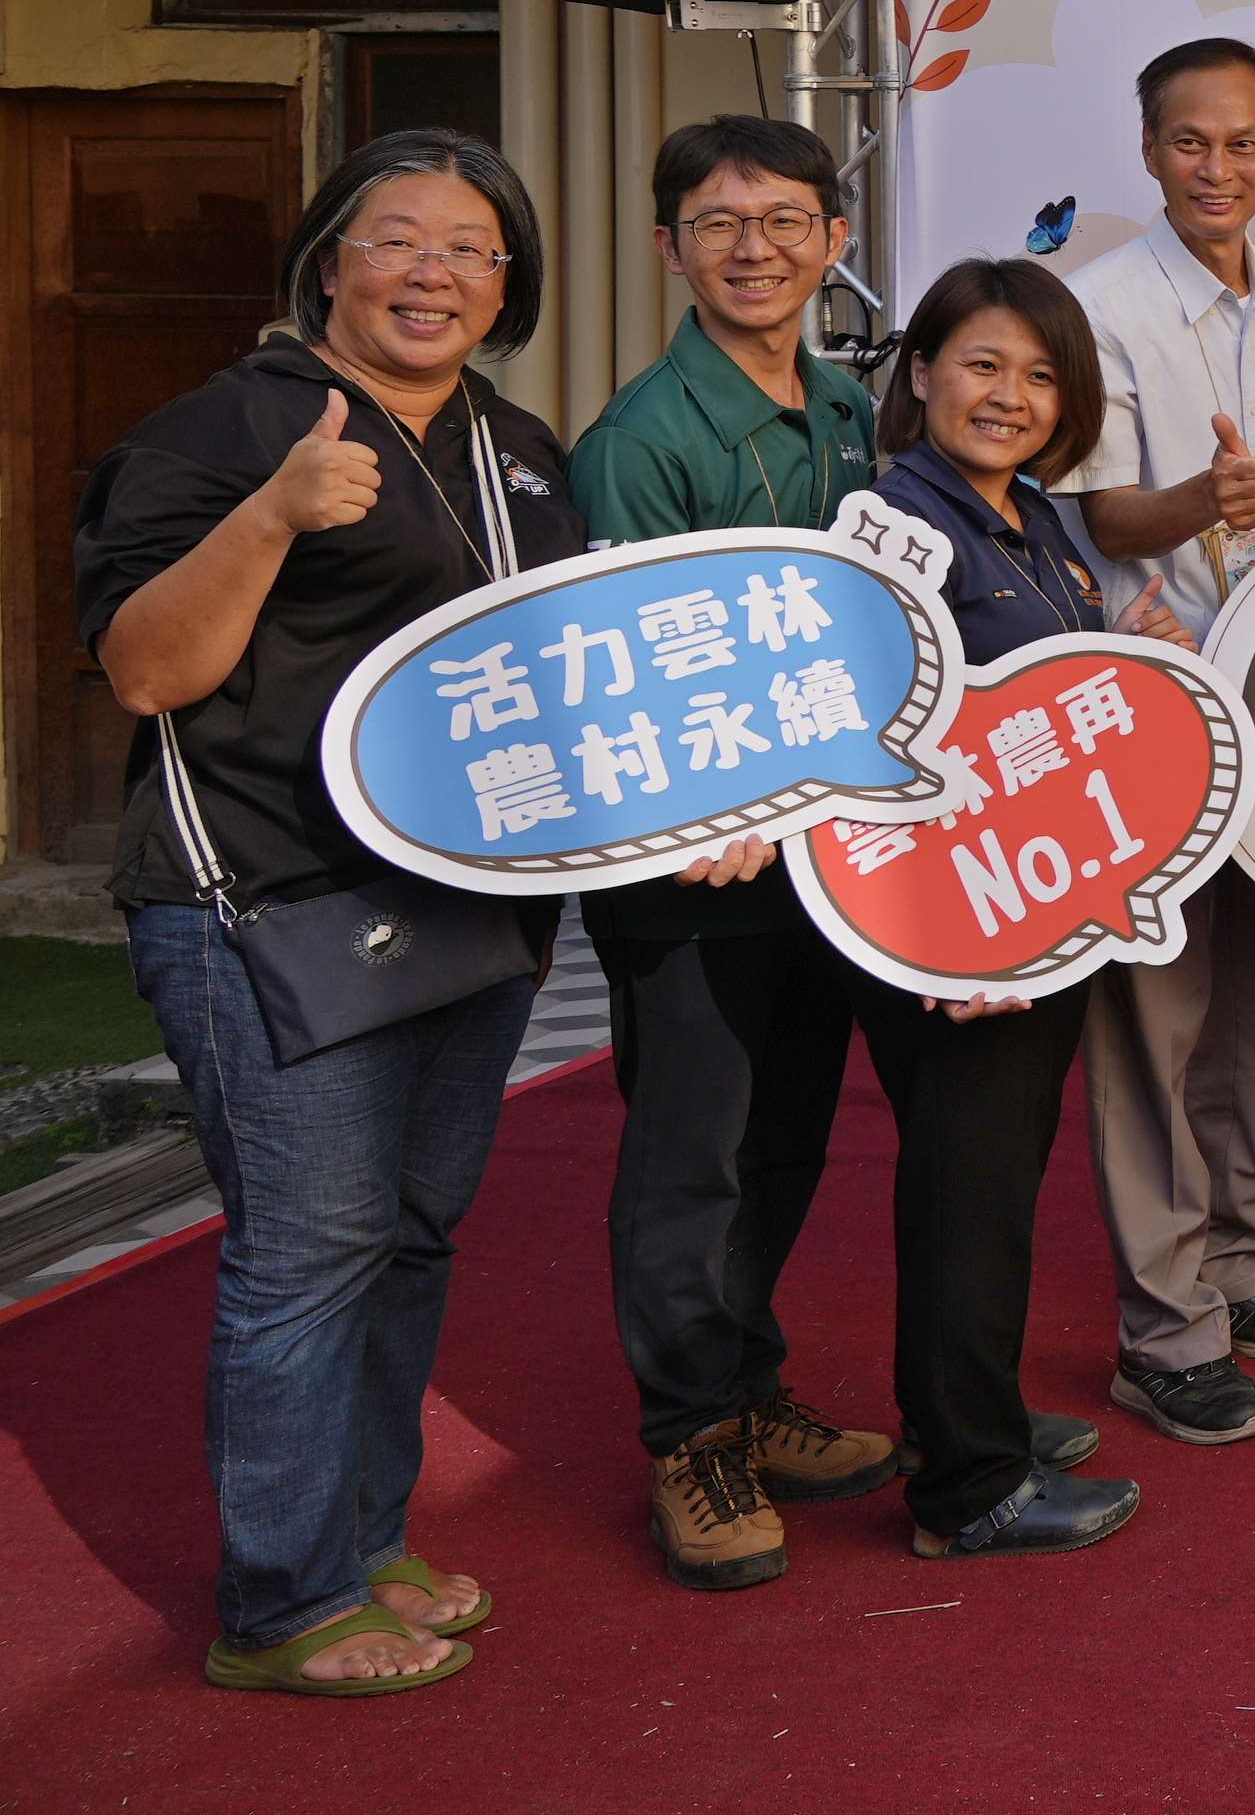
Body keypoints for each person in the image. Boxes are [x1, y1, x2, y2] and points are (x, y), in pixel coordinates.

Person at [80, 133, 584, 1694]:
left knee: (408, 1239)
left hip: (475, 913)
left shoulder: (520, 448)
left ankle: (364, 1545)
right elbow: (149, 671)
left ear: (508, 286)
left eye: (472, 249)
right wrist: (277, 514)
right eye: (398, 240)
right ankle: (283, 1603)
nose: (434, 272)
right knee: (306, 1253)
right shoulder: (221, 431)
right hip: (269, 909)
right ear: (327, 261)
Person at [567, 116, 913, 1588]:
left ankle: (751, 1384)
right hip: (691, 877)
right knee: (691, 1161)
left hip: (823, 864)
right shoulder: (637, 445)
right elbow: (629, 672)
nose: (754, 248)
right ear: (669, 250)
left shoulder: (850, 410)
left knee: (782, 1140)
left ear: (836, 242)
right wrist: (722, 816)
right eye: (718, 224)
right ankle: (691, 1439)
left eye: (784, 221)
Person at [859, 257, 1190, 1559]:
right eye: (984, 365)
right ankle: (968, 1486)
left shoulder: (1035, 519)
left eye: (1042, 375)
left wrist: (1137, 659)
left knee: (991, 1181)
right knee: (966, 1190)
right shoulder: (896, 526)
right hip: (958, 930)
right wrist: (941, 930)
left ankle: (969, 1411)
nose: (1011, 396)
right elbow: (875, 739)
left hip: (1032, 913)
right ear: (923, 372)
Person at [1064, 38, 1255, 1446]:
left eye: (1244, 144)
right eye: (1192, 143)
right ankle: (1163, 1327)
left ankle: (1243, 1268)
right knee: (1151, 1026)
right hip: (1152, 714)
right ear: (1147, 152)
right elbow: (1097, 517)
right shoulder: (1095, 306)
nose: (1219, 170)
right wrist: (1203, 497)